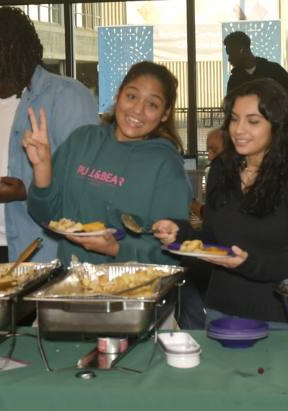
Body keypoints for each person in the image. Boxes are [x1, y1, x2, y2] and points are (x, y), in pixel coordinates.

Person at [155, 79, 288, 327]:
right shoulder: (222, 170)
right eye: (234, 119)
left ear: (277, 126)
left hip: (277, 319)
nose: (239, 130)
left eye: (253, 121)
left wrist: (247, 263)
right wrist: (179, 232)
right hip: (220, 311)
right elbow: (212, 238)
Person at [0, 6, 98, 265]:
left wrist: (28, 191)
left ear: (3, 48)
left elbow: (90, 178)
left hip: (39, 251)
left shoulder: (66, 96)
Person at [24, 61, 191, 265]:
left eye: (152, 104)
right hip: (70, 284)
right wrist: (42, 168)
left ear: (165, 114)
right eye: (131, 96)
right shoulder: (82, 140)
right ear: (118, 95)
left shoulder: (166, 165)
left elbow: (174, 252)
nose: (138, 110)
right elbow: (46, 216)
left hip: (130, 291)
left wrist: (116, 248)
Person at [223, 31, 288, 113]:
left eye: (230, 53)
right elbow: (229, 111)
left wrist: (282, 122)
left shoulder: (275, 70)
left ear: (241, 50)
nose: (229, 59)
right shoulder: (234, 80)